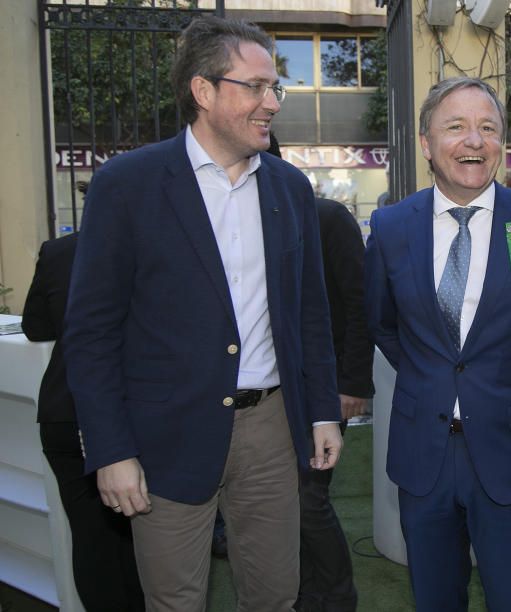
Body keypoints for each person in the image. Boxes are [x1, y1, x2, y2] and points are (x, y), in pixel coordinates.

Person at [61, 16, 343, 611]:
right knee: (175, 602)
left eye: (276, 88)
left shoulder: (290, 189)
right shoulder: (127, 185)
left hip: (271, 428)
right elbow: (91, 333)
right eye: (256, 86)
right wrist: (110, 449)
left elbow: (309, 314)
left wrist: (321, 411)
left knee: (275, 597)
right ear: (203, 91)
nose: (272, 103)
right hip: (165, 434)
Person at [364, 76, 511, 612]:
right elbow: (381, 324)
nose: (474, 141)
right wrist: (432, 379)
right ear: (426, 143)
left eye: (487, 128)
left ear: (501, 143)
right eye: (456, 127)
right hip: (423, 455)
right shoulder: (392, 226)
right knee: (434, 599)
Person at [22, 218, 145, 611]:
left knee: (92, 539)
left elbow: (35, 327)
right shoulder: (151, 248)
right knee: (143, 540)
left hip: (64, 410)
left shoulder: (57, 251)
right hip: (130, 414)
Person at [296, 195, 373, 612]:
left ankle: (337, 597)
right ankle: (303, 593)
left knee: (308, 498)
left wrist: (353, 384)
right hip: (262, 393)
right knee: (281, 505)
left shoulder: (326, 217)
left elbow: (361, 302)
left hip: (322, 388)